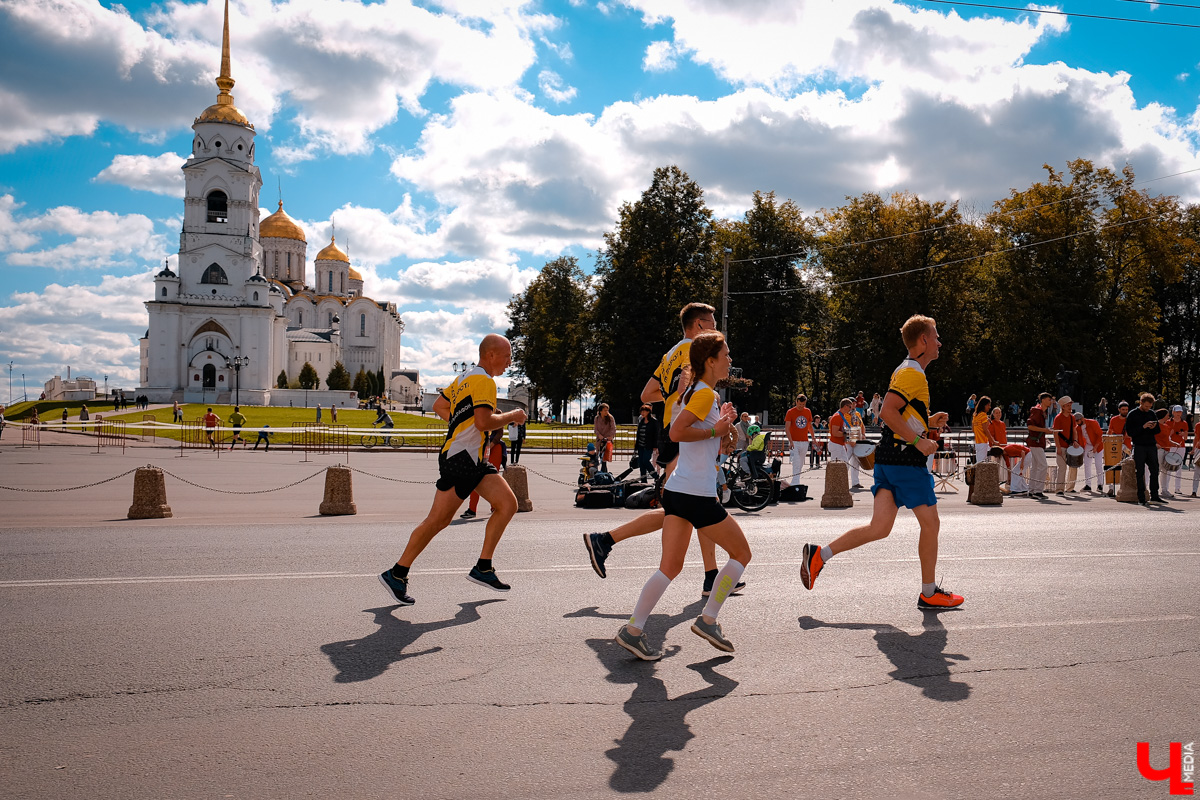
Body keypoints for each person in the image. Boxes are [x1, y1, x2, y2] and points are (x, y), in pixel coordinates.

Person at [801, 314, 962, 610]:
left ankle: (819, 555)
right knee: (931, 524)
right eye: (936, 336)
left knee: (879, 528)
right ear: (923, 341)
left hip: (888, 458)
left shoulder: (904, 370)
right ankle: (929, 592)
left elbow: (899, 414)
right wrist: (919, 441)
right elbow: (887, 412)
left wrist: (927, 421)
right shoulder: (914, 374)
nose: (940, 342)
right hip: (906, 461)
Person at [614, 331, 751, 660]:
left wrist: (725, 426)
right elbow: (678, 433)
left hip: (678, 491)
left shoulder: (700, 394)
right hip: (696, 495)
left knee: (669, 568)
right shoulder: (703, 394)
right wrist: (717, 429)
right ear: (711, 361)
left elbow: (706, 443)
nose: (730, 360)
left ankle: (633, 630)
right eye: (726, 355)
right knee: (742, 555)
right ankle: (709, 620)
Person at [583, 303, 731, 599]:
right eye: (713, 323)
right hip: (681, 434)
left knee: (694, 505)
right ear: (699, 325)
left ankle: (711, 576)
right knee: (686, 506)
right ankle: (606, 541)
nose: (717, 329)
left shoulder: (671, 353)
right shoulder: (696, 351)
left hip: (670, 433)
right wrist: (704, 416)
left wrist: (672, 397)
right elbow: (690, 394)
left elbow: (647, 393)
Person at [379, 334, 528, 606]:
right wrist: (513, 416)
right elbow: (484, 422)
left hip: (469, 457)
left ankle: (483, 567)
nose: (509, 362)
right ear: (492, 355)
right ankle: (397, 573)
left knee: (507, 504)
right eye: (507, 356)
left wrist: (460, 426)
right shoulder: (484, 381)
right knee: (437, 521)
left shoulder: (464, 378)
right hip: (462, 458)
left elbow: (440, 405)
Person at [1126, 392, 1164, 505]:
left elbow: (1158, 431)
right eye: (1146, 406)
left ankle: (1155, 495)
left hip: (1151, 445)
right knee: (1140, 472)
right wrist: (1143, 427)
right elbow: (1130, 432)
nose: (1148, 408)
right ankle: (1141, 497)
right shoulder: (1132, 414)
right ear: (1141, 403)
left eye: (1150, 406)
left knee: (1155, 470)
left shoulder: (1152, 413)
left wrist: (1153, 427)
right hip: (1139, 446)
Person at [462, 428, 506, 519]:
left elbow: (499, 433)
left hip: (494, 448)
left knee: (492, 480)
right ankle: (472, 509)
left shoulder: (497, 413)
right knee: (475, 479)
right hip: (480, 446)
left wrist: (489, 446)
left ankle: (494, 507)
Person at [829, 398, 866, 489]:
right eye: (850, 406)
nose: (851, 408)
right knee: (837, 465)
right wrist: (849, 437)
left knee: (845, 464)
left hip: (842, 443)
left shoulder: (845, 415)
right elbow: (835, 432)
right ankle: (835, 485)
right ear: (845, 406)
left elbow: (861, 425)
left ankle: (841, 484)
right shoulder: (838, 416)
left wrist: (860, 435)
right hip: (839, 444)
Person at [1026, 392, 1054, 499]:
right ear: (1043, 400)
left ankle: (1032, 490)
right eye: (1048, 399)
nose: (1050, 402)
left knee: (1036, 467)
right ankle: (1037, 491)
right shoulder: (1038, 411)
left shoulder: (1040, 411)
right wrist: (1044, 430)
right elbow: (1030, 426)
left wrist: (1043, 434)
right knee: (1043, 466)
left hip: (1036, 441)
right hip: (1036, 443)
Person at [1157, 405, 1188, 499]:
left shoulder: (1166, 425)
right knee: (1156, 470)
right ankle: (1154, 490)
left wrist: (1174, 442)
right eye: (1177, 412)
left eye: (1180, 412)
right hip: (1160, 450)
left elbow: (1168, 438)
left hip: (1168, 449)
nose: (1179, 414)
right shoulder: (1157, 425)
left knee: (1166, 470)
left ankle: (1165, 490)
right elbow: (1152, 437)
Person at [784, 394, 814, 479]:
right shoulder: (790, 412)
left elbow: (809, 426)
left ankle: (796, 479)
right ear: (796, 402)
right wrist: (790, 441)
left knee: (800, 463)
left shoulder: (808, 411)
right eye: (800, 404)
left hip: (804, 441)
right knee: (796, 462)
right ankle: (795, 482)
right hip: (794, 441)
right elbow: (787, 428)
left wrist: (813, 437)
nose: (801, 406)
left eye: (803, 404)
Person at [1078, 411, 1105, 492]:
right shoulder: (1078, 427)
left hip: (1098, 445)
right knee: (1087, 464)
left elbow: (1100, 435)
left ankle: (1100, 484)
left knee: (1098, 464)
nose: (1076, 423)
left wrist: (1096, 447)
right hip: (1088, 445)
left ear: (1082, 419)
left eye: (1077, 421)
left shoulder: (1093, 423)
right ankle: (1088, 484)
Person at [633, 404, 659, 481]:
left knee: (645, 461)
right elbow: (638, 434)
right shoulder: (641, 421)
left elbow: (656, 434)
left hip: (649, 445)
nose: (642, 413)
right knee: (641, 463)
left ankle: (655, 476)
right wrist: (636, 446)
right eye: (641, 411)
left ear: (648, 412)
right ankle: (643, 480)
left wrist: (655, 445)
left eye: (644, 411)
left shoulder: (654, 421)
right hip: (641, 445)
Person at [972, 396, 997, 464]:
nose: (989, 407)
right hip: (983, 442)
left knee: (979, 462)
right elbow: (985, 430)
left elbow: (973, 429)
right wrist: (993, 441)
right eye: (988, 405)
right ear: (984, 405)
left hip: (977, 442)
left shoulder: (975, 415)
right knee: (981, 464)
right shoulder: (983, 415)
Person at [593, 403, 616, 471]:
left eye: (607, 410)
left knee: (604, 457)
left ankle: (603, 470)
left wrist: (611, 436)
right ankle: (604, 471)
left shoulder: (610, 418)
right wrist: (599, 435)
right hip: (600, 439)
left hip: (607, 439)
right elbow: (596, 429)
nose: (606, 412)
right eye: (605, 410)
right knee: (600, 455)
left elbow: (613, 428)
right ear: (600, 411)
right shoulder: (597, 418)